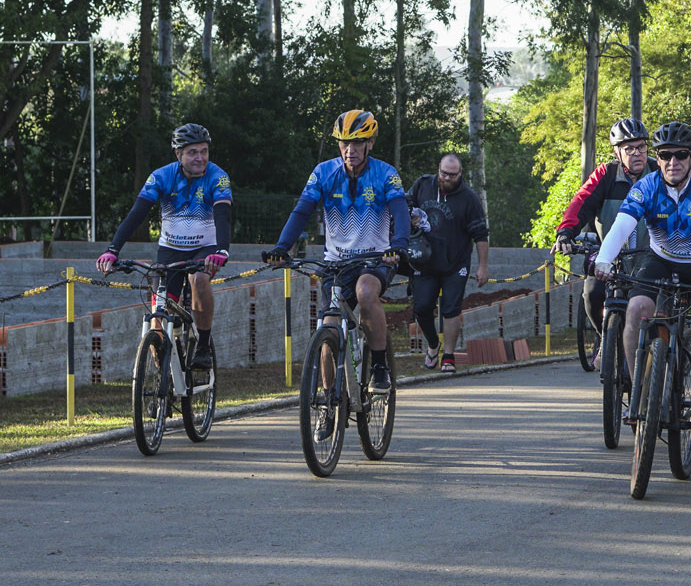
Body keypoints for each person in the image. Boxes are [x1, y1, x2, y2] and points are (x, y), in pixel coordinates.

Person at [592, 121, 691, 435]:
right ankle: (640, 392)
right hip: (661, 259)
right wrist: (603, 259)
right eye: (665, 155)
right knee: (636, 309)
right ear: (657, 158)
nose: (673, 162)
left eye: (681, 155)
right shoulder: (646, 186)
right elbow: (622, 224)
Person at [266, 110, 408, 392]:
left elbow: (400, 210)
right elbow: (302, 211)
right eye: (344, 143)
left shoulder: (385, 174)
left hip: (375, 259)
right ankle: (328, 399)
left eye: (357, 143)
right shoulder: (323, 173)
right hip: (336, 264)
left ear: (370, 143)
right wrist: (282, 246)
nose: (349, 150)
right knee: (328, 329)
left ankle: (380, 366)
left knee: (365, 292)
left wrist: (400, 244)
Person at [97, 124, 232, 369]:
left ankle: (203, 346)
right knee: (157, 316)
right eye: (192, 152)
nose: (200, 158)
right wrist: (112, 250)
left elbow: (222, 216)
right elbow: (137, 214)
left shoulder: (218, 176)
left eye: (204, 151)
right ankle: (163, 379)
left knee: (200, 279)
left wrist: (222, 249)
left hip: (205, 248)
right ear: (178, 154)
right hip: (170, 250)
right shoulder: (161, 176)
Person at [554, 118, 658, 339]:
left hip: (650, 256)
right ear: (616, 152)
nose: (637, 154)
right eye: (629, 149)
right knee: (593, 293)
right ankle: (605, 340)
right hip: (611, 256)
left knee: (657, 309)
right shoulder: (606, 174)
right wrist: (565, 233)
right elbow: (581, 203)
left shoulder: (659, 172)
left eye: (641, 147)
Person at [407, 152, 490, 373]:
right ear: (438, 169)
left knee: (451, 309)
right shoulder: (423, 185)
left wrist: (483, 266)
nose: (447, 178)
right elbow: (404, 204)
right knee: (422, 308)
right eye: (444, 173)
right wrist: (409, 218)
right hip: (424, 261)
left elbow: (481, 235)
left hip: (455, 263)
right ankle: (434, 344)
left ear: (460, 173)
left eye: (452, 175)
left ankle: (449, 355)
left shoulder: (469, 199)